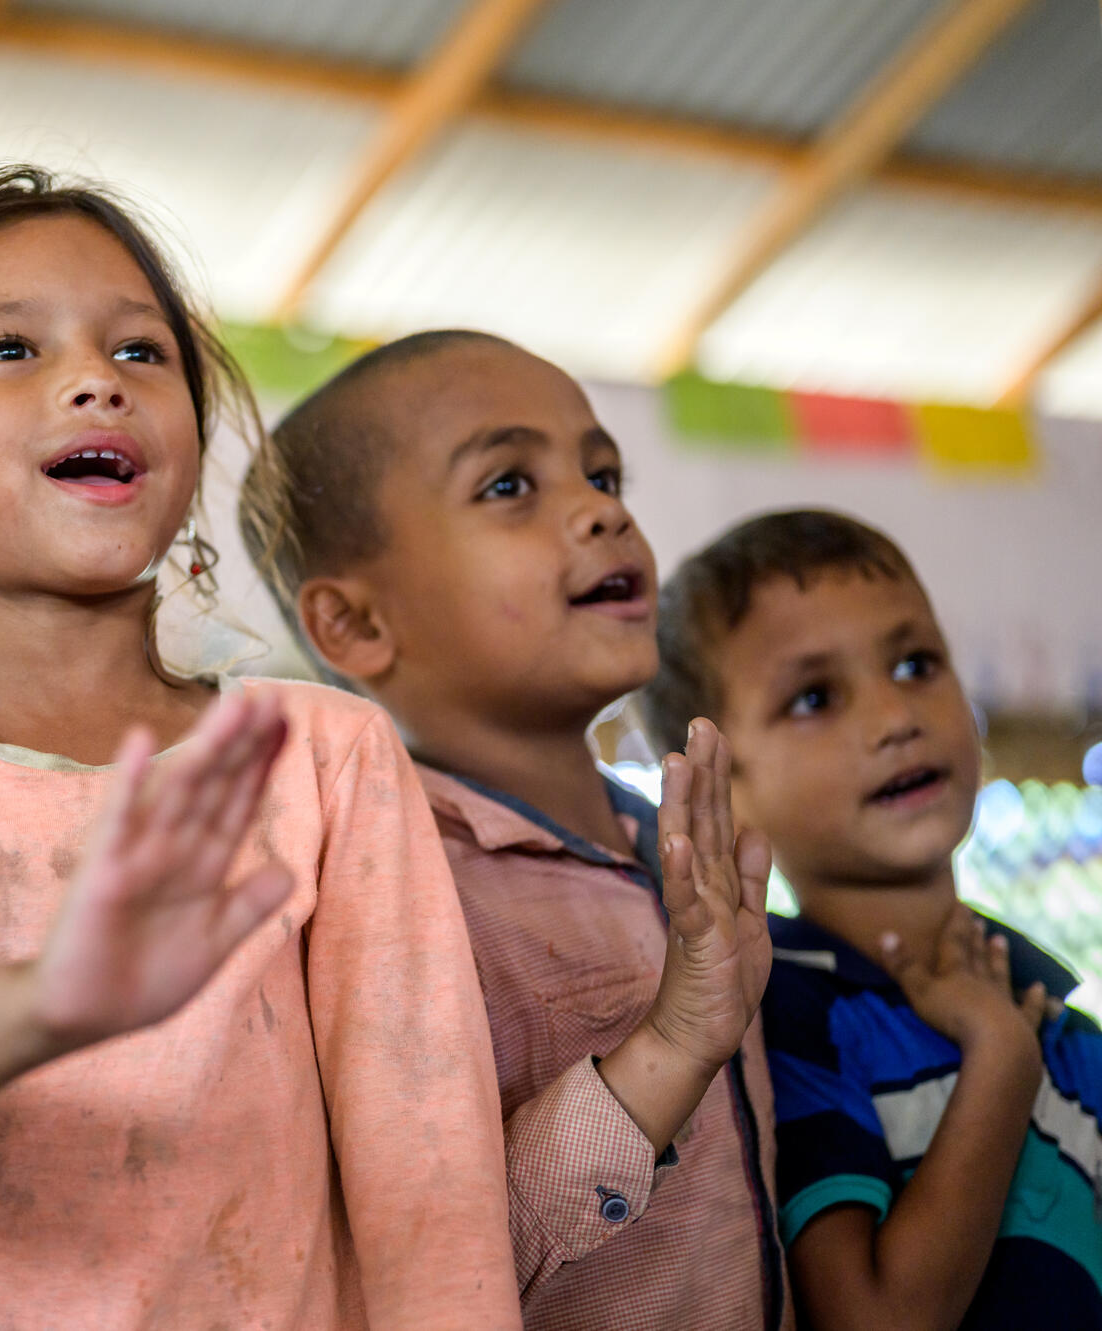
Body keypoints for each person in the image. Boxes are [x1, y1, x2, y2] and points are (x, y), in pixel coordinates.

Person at [0, 167, 519, 1329]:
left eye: (140, 353)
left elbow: (431, 1196)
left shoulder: (323, 757)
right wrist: (42, 1007)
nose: (93, 382)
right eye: (9, 349)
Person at [239, 330, 789, 1330]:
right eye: (507, 486)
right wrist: (668, 1046)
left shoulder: (676, 845)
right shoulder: (381, 898)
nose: (601, 508)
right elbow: (407, 1277)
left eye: (600, 469)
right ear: (355, 625)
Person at [644, 508, 1102, 1330]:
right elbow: (876, 1318)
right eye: (815, 696)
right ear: (724, 784)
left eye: (918, 662)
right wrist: (999, 1058)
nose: (897, 716)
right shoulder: (773, 1016)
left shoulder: (1061, 1015)